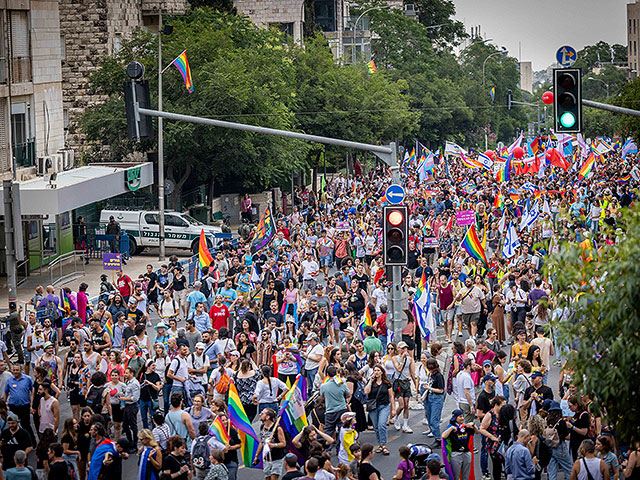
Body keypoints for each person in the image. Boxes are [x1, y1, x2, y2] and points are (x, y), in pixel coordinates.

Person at [442, 409, 477, 480]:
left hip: (467, 454)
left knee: (466, 476)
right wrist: (451, 428)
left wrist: (473, 425)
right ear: (455, 418)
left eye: (463, 416)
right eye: (460, 416)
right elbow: (443, 436)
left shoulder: (465, 427)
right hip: (456, 455)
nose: (462, 418)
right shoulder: (451, 428)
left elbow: (477, 432)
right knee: (455, 476)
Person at [319, 366, 350, 442]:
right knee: (342, 430)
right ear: (336, 373)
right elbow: (348, 394)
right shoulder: (342, 383)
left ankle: (327, 449)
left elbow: (322, 396)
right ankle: (340, 448)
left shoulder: (324, 386)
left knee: (328, 430)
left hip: (330, 410)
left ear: (327, 374)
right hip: (342, 409)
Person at [254, 408, 286, 480]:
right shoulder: (262, 427)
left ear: (268, 417)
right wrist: (256, 456)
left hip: (277, 458)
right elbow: (261, 442)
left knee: (274, 478)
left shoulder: (277, 428)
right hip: (267, 459)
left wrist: (273, 445)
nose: (260, 415)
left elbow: (283, 443)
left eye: (262, 413)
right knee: (267, 478)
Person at [121, 366, 141, 452]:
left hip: (132, 406)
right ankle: (130, 442)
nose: (125, 374)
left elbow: (135, 398)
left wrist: (124, 399)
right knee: (125, 425)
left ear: (132, 374)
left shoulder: (134, 383)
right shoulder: (128, 382)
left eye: (127, 373)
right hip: (127, 406)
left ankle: (135, 445)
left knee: (133, 426)